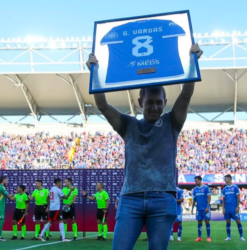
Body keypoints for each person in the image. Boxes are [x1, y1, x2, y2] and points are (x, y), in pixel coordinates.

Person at [86, 43, 202, 250]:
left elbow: (186, 94)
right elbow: (102, 105)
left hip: (162, 197)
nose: (155, 107)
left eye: (159, 102)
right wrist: (94, 71)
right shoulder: (128, 125)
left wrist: (193, 61)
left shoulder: (171, 123)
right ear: (140, 101)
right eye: (150, 102)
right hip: (131, 199)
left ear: (165, 101)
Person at [221, 174, 245, 241]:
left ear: (229, 179)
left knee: (238, 221)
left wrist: (237, 207)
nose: (225, 180)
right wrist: (223, 208)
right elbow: (224, 199)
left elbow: (238, 198)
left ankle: (241, 236)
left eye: (225, 179)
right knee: (228, 222)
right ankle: (228, 237)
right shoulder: (225, 189)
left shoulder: (235, 187)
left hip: (234, 208)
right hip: (227, 208)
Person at [192, 176, 211, 242]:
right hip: (198, 209)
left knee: (207, 221)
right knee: (199, 222)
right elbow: (194, 199)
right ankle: (199, 237)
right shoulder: (195, 189)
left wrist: (207, 206)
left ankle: (208, 237)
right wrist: (192, 208)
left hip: (205, 208)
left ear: (200, 180)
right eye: (195, 181)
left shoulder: (206, 187)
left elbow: (209, 197)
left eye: (196, 181)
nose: (195, 182)